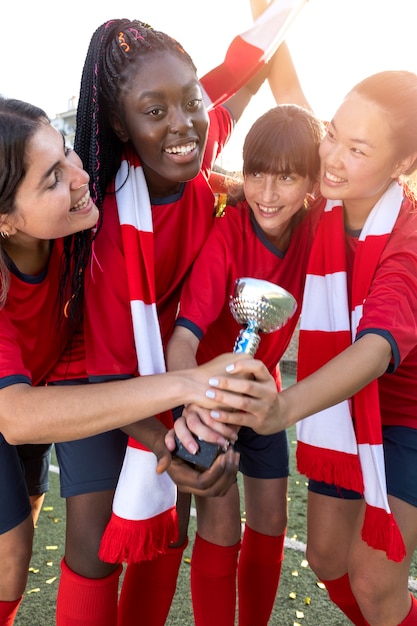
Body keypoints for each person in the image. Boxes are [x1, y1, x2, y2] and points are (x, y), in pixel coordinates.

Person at [56, 9, 308, 625]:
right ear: (119, 123)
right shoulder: (112, 216)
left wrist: (273, 14)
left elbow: (243, 78)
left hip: (171, 367)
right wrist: (173, 448)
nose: (182, 125)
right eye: (154, 110)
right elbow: (111, 384)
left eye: (190, 101)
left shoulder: (199, 147)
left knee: (169, 527)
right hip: (88, 375)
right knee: (96, 539)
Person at [0, 95, 247, 626]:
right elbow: (15, 417)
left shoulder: (78, 222)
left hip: (45, 386)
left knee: (27, 534)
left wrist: (274, 17)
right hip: (15, 405)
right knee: (10, 556)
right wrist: (186, 384)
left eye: (67, 153)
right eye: (50, 179)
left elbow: (212, 103)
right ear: (5, 221)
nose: (80, 175)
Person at [196, 70, 417, 626]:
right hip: (344, 410)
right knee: (323, 556)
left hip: (406, 416)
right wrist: (269, 24)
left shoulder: (407, 235)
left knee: (373, 577)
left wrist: (283, 408)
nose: (334, 157)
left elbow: (378, 345)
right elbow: (291, 103)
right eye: (334, 135)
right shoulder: (325, 205)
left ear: (402, 166)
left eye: (358, 148)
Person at [166, 104, 324, 626]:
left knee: (273, 519)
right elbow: (183, 340)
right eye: (256, 172)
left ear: (310, 182)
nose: (267, 192)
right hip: (212, 402)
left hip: (266, 396)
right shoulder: (230, 230)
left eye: (286, 176)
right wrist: (198, 405)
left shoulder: (314, 228)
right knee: (220, 524)